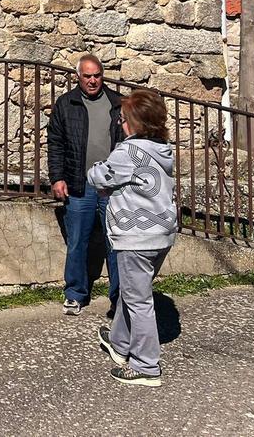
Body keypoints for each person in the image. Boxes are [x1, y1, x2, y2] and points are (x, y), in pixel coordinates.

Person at [87, 87, 176, 387]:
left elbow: (100, 175)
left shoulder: (129, 151)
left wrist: (100, 175)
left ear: (137, 123)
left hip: (136, 235)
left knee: (138, 299)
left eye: (124, 119)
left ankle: (147, 365)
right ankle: (119, 342)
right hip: (161, 232)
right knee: (131, 290)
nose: (121, 124)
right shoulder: (163, 149)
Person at [46, 53, 123, 315]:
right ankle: (75, 293)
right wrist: (57, 177)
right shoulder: (66, 103)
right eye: (87, 76)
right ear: (78, 77)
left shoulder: (117, 103)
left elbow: (128, 143)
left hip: (112, 186)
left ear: (103, 75)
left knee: (115, 242)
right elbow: (55, 143)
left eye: (97, 75)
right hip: (79, 184)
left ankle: (120, 298)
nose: (92, 80)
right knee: (77, 241)